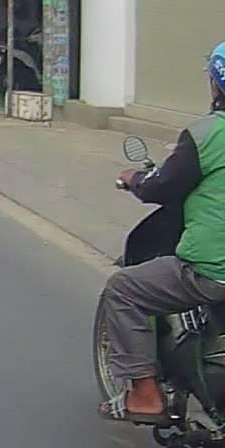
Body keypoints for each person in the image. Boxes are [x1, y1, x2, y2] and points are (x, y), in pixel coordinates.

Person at [97, 42, 225, 424]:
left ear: (216, 84)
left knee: (123, 289)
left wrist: (135, 178)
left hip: (213, 270)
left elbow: (162, 186)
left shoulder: (207, 135)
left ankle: (146, 396)